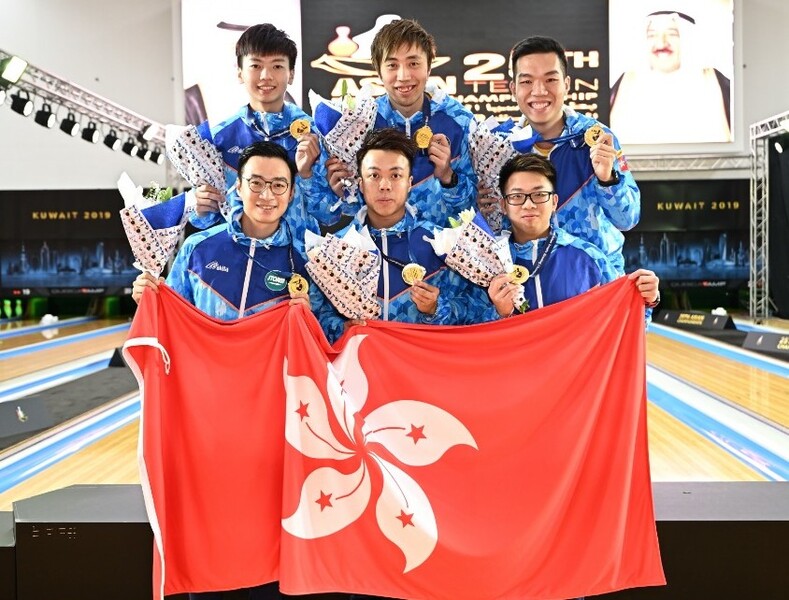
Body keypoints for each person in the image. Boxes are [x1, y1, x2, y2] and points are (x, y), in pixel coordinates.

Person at [132, 142, 336, 600]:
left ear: (291, 192)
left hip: (276, 429)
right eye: (256, 183)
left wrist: (308, 315)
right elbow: (172, 327)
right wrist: (150, 296)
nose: (267, 194)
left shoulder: (308, 260)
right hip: (206, 427)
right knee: (212, 535)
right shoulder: (198, 251)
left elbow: (327, 344)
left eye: (278, 185)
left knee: (268, 542)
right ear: (236, 188)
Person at [478, 36, 640, 276]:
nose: (539, 91)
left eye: (551, 79)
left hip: (593, 281)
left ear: (566, 84)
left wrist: (608, 179)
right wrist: (484, 208)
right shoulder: (499, 147)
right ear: (513, 89)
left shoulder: (596, 138)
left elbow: (628, 219)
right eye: (527, 81)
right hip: (529, 282)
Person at [317, 128, 484, 344]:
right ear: (360, 184)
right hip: (360, 371)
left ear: (409, 183)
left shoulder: (439, 243)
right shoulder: (337, 249)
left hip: (420, 371)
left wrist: (436, 308)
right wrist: (341, 328)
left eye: (395, 176)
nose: (384, 186)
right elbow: (317, 316)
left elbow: (474, 311)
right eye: (374, 175)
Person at [312, 18, 478, 227]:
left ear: (429, 66)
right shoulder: (359, 122)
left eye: (413, 63)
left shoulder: (460, 121)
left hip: (441, 253)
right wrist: (340, 192)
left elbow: (473, 209)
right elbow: (337, 213)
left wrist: (448, 177)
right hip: (378, 252)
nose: (403, 76)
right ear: (378, 70)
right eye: (392, 65)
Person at [182, 23, 330, 229]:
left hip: (298, 257)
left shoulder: (317, 134)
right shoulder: (220, 137)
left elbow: (328, 215)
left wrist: (306, 175)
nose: (265, 76)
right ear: (239, 72)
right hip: (240, 257)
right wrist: (199, 206)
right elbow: (206, 219)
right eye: (256, 66)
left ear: (292, 73)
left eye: (277, 66)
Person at [478, 154, 659, 322]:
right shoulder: (487, 262)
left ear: (554, 202)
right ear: (503, 205)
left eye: (539, 194)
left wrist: (649, 298)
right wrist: (501, 313)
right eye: (517, 196)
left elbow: (628, 318)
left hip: (578, 358)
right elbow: (469, 332)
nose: (529, 204)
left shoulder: (588, 257)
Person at [610, 10, 731, 144]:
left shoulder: (712, 80)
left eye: (672, 34)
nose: (661, 42)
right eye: (652, 35)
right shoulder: (627, 83)